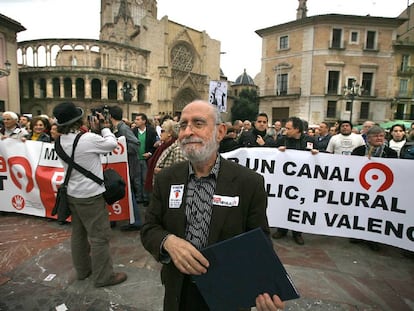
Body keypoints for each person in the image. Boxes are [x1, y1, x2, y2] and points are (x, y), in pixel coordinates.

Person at [140, 100, 285, 311]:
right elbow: (149, 228)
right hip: (178, 292)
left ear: (220, 132)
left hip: (227, 292)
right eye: (183, 125)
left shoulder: (249, 182)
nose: (187, 131)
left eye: (198, 123)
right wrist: (167, 241)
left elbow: (259, 242)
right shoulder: (167, 178)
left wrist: (265, 286)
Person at [53, 101, 127, 287]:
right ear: (78, 120)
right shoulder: (86, 139)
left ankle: (83, 271)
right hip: (91, 196)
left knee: (78, 234)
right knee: (99, 237)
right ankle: (104, 277)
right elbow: (111, 144)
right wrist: (105, 127)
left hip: (72, 194)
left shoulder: (59, 141)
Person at [272, 117, 318, 245]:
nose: (285, 130)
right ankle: (282, 229)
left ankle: (297, 233)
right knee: (284, 204)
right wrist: (277, 152)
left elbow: (321, 158)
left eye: (288, 128)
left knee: (299, 206)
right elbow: (270, 155)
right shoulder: (282, 140)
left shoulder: (310, 141)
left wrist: (317, 154)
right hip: (285, 180)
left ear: (297, 129)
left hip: (302, 182)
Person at [351, 126, 397, 251]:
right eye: (376, 136)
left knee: (376, 213)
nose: (379, 138)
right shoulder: (358, 151)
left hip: (381, 188)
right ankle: (358, 234)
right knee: (360, 211)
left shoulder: (391, 153)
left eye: (381, 136)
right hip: (361, 187)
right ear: (368, 138)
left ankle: (373, 238)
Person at [109, 105, 142, 231]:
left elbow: (135, 143)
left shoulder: (123, 128)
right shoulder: (118, 128)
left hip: (128, 165)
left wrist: (121, 150)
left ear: (111, 116)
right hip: (123, 165)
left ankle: (136, 221)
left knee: (129, 192)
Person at [133, 113, 158, 206]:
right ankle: (138, 197)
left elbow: (155, 145)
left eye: (138, 119)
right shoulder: (133, 131)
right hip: (135, 159)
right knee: (136, 180)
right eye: (136, 119)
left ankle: (146, 198)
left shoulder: (151, 131)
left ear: (144, 121)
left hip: (146, 160)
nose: (136, 121)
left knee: (145, 179)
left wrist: (150, 153)